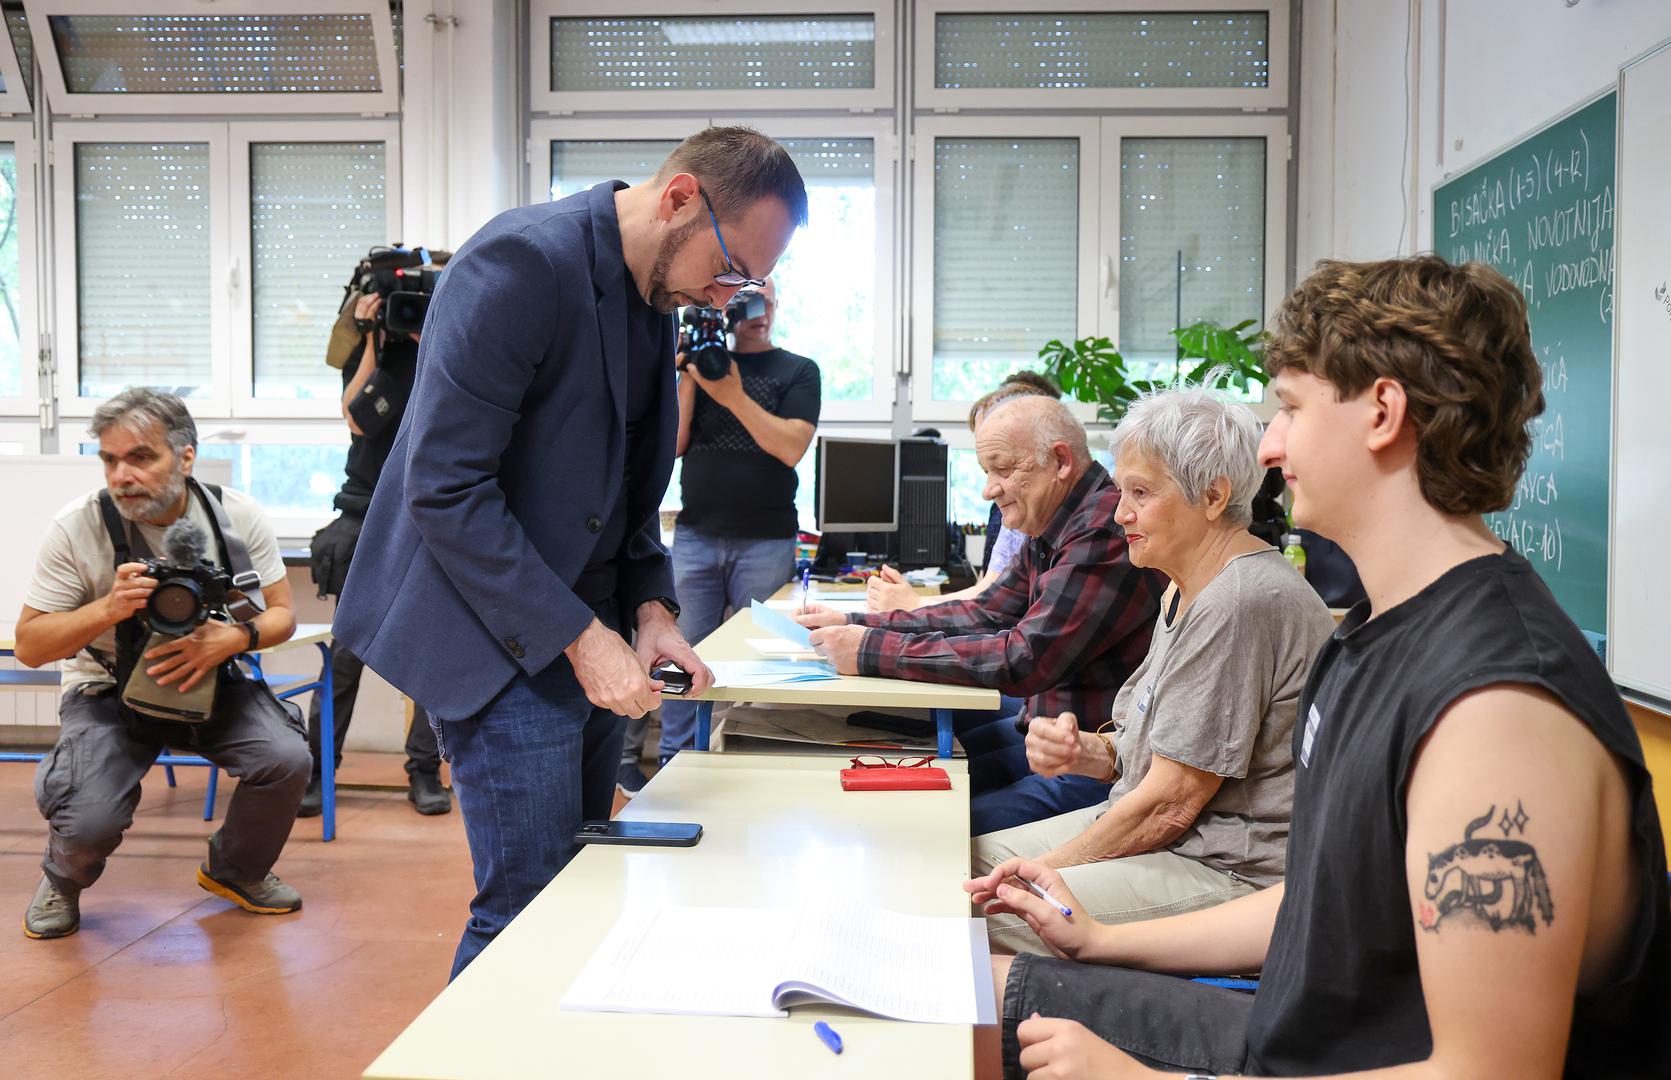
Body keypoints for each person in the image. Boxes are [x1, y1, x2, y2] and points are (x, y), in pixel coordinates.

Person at [966, 256, 1670, 1079]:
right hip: (1301, 1034)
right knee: (968, 986)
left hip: (1347, 1059)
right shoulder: (1368, 636)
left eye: (1291, 409)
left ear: (1382, 412)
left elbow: (1486, 1073)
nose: (1269, 445)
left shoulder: (1496, 710)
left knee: (972, 1008)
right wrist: (1100, 941)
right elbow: (1324, 906)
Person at [333, 126, 805, 977]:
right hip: (494, 637)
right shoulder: (519, 265)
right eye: (730, 267)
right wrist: (584, 639)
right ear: (680, 198)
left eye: (747, 284)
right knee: (525, 914)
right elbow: (444, 488)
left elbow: (624, 487)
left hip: (584, 626)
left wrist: (651, 612)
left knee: (580, 892)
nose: (725, 297)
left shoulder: (653, 291)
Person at [969, 386, 1335, 956]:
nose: (1120, 513)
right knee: (957, 861)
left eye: (1140, 493)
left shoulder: (1239, 600)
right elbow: (1165, 755)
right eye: (1121, 491)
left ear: (1213, 496)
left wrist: (1040, 875)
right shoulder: (1184, 587)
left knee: (972, 911)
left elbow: (1171, 804)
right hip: (1170, 836)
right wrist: (1088, 752)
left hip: (1227, 870)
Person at [798, 395, 1165, 835]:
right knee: (921, 781)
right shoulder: (1056, 525)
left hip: (1092, 761)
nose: (989, 490)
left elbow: (1023, 659)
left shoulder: (1102, 530)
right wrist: (857, 625)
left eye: (1003, 470)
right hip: (1046, 736)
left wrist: (869, 650)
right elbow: (985, 612)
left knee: (933, 828)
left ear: (1060, 461)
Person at [18, 389, 309, 939]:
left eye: (140, 457)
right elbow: (30, 646)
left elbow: (281, 616)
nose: (121, 476)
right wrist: (108, 608)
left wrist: (234, 637)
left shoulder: (235, 516)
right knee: (90, 816)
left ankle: (236, 870)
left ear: (185, 457)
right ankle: (62, 880)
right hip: (107, 688)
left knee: (285, 757)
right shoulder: (76, 526)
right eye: (109, 460)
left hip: (210, 676)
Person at [617, 276, 820, 794]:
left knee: (761, 662)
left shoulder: (798, 370)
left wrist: (730, 393)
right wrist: (690, 372)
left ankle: (746, 770)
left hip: (767, 540)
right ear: (727, 307)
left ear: (777, 304)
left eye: (765, 300)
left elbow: (790, 448)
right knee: (679, 658)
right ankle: (672, 769)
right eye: (746, 301)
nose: (758, 312)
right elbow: (672, 444)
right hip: (698, 536)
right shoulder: (699, 366)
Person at [306, 257, 453, 818]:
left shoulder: (450, 347)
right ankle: (319, 770)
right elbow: (357, 417)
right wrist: (371, 336)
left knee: (427, 652)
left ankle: (424, 770)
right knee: (346, 655)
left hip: (427, 514)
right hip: (366, 512)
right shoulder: (372, 350)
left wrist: (429, 336)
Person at [866, 372, 1060, 615]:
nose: (988, 491)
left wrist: (914, 604)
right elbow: (992, 597)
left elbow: (991, 599)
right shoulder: (1015, 511)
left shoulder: (1038, 514)